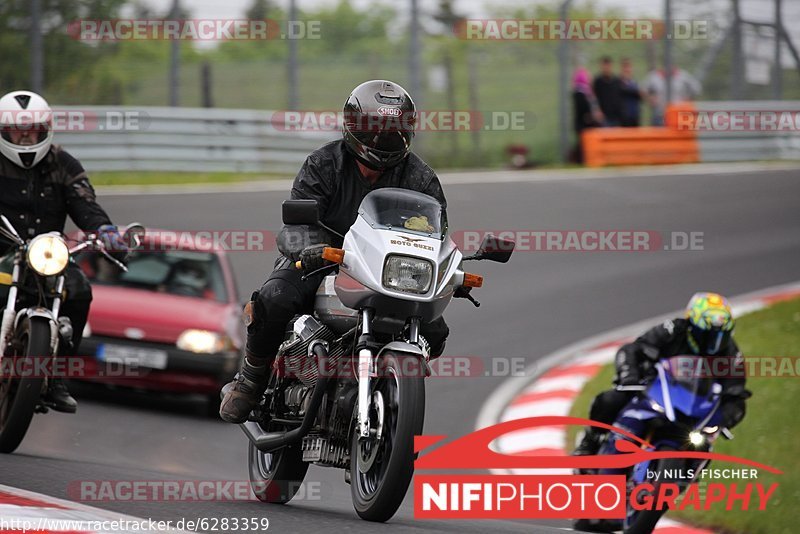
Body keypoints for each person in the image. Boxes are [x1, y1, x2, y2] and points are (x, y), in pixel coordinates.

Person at [219, 80, 450, 423]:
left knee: (435, 331)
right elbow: (297, 218)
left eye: (392, 131)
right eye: (373, 130)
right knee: (276, 296)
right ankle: (250, 381)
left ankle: (394, 390)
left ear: (408, 132)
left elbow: (436, 234)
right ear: (353, 126)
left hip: (384, 273)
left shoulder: (420, 178)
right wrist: (311, 247)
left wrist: (447, 268)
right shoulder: (324, 163)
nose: (381, 140)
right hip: (320, 260)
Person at [0, 90, 125, 413]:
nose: (26, 137)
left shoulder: (63, 164)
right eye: (17, 130)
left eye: (33, 129)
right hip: (2, 250)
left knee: (80, 289)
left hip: (46, 255)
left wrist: (105, 232)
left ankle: (55, 377)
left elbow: (85, 203)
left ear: (46, 129)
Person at [573, 292, 750, 456]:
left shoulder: (730, 353)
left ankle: (685, 477)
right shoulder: (672, 330)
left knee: (704, 446)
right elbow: (634, 349)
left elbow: (736, 392)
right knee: (611, 400)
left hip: (694, 405)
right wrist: (630, 376)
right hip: (655, 388)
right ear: (691, 326)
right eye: (706, 335)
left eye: (720, 336)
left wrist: (724, 417)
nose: (713, 342)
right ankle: (591, 440)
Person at [571, 67, 602, 164]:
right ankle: (580, 161)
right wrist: (592, 115)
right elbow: (583, 108)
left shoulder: (586, 92)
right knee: (582, 144)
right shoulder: (579, 93)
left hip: (585, 123)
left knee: (583, 144)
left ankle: (582, 160)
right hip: (582, 123)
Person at [592, 56, 623, 127]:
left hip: (616, 116)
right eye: (604, 65)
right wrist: (597, 110)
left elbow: (619, 97)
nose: (606, 68)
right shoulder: (598, 81)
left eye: (608, 65)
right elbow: (594, 97)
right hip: (604, 117)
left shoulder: (616, 81)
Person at [619, 58, 642, 127]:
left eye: (629, 67)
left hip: (634, 116)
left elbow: (640, 96)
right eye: (625, 67)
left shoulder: (634, 82)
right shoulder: (618, 82)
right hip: (623, 117)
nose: (627, 69)